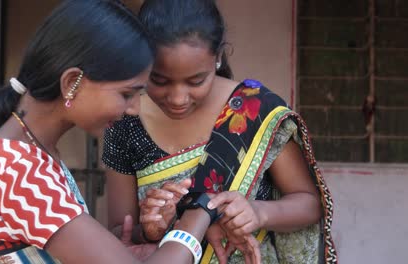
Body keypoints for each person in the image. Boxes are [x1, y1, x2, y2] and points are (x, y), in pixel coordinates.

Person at [0, 1, 261, 263]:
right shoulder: (13, 166)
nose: (135, 108)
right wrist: (198, 213)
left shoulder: (28, 154)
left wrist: (125, 252)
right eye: (126, 94)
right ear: (72, 83)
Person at [102, 0, 337, 263]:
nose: (178, 98)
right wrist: (147, 230)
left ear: (218, 58)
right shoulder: (125, 122)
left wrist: (258, 213)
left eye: (196, 81)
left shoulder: (257, 110)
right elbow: (117, 232)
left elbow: (309, 203)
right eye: (159, 80)